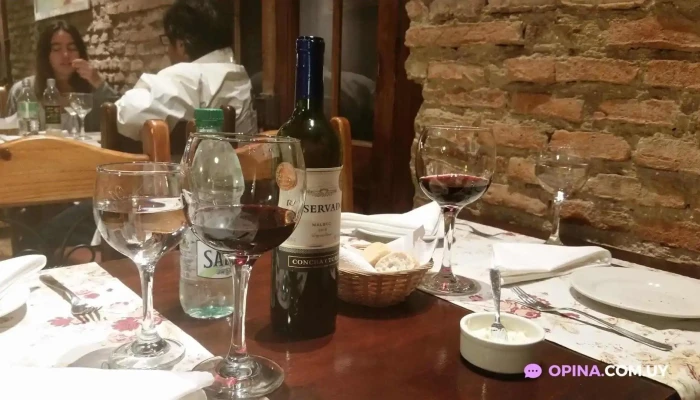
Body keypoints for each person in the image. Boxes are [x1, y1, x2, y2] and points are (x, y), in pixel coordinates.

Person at [116, 0, 257, 140]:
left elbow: (125, 114)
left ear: (181, 45)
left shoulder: (187, 78)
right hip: (242, 155)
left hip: (200, 155)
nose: (167, 51)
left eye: (167, 42)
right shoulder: (239, 75)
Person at [6, 20, 118, 132]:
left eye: (72, 48)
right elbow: (9, 136)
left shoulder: (92, 89)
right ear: (46, 55)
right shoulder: (23, 91)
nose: (65, 55)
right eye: (56, 49)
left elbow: (120, 122)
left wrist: (98, 82)